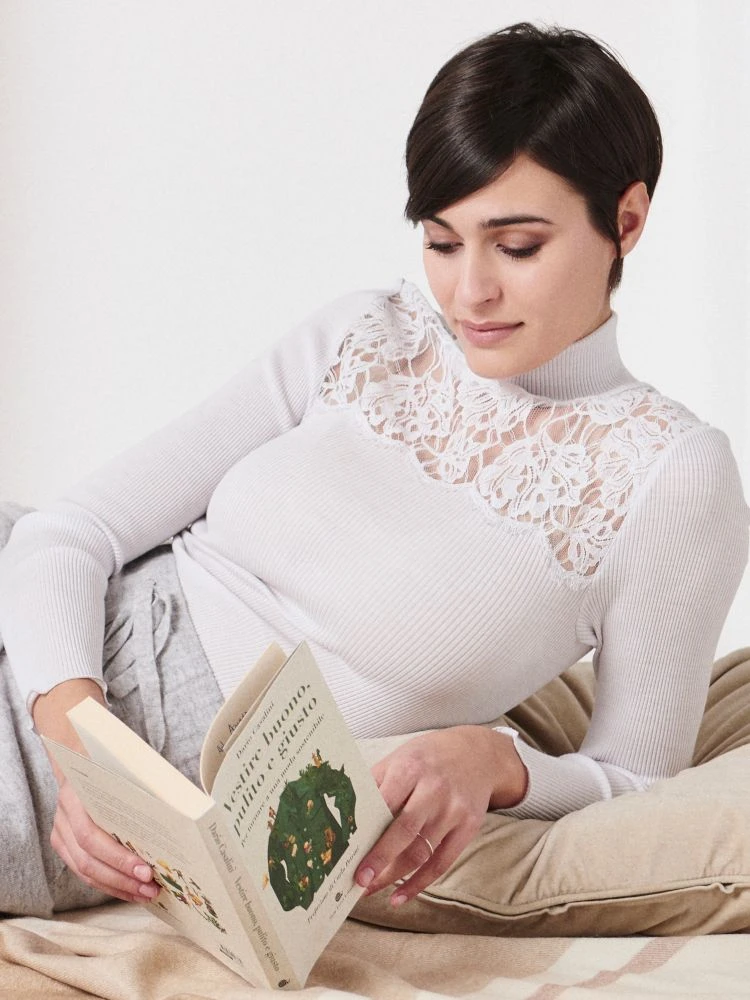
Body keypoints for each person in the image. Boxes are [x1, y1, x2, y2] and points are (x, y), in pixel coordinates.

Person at [0, 22, 747, 919]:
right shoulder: (365, 334)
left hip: (138, 794)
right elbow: (68, 532)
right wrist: (83, 752)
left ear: (626, 220)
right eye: (441, 242)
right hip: (59, 661)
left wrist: (497, 759)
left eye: (517, 246)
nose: (469, 292)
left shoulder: (671, 476)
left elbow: (641, 783)